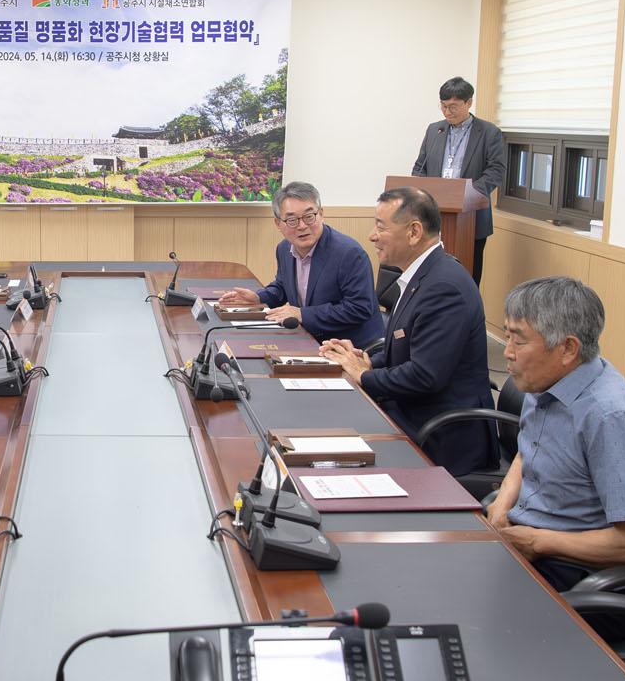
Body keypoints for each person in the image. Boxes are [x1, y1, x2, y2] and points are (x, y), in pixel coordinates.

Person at [484, 276, 625, 591]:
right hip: (528, 539)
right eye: (507, 337)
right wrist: (501, 507)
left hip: (579, 575)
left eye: (519, 341)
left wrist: (538, 541)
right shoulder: (545, 380)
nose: (508, 353)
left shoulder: (613, 417)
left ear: (568, 349)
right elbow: (528, 452)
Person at [319, 187, 497, 478]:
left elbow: (425, 375)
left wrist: (363, 375)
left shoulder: (444, 287)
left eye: (381, 227)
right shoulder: (423, 275)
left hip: (441, 434)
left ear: (414, 232)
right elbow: (406, 351)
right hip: (412, 411)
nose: (372, 236)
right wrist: (364, 360)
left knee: (334, 447)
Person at [217, 181, 381, 346]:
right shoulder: (284, 248)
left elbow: (359, 308)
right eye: (292, 220)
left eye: (309, 217)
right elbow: (283, 287)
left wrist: (302, 314)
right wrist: (258, 298)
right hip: (307, 338)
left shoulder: (349, 253)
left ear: (321, 214)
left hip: (349, 347)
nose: (302, 226)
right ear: (278, 224)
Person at [410, 76, 506, 284]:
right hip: (433, 216)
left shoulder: (489, 132)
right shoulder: (434, 130)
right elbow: (419, 168)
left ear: (469, 102)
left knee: (468, 277)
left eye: (453, 107)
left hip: (471, 218)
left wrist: (468, 195)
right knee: (429, 277)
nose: (447, 112)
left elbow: (496, 171)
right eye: (443, 106)